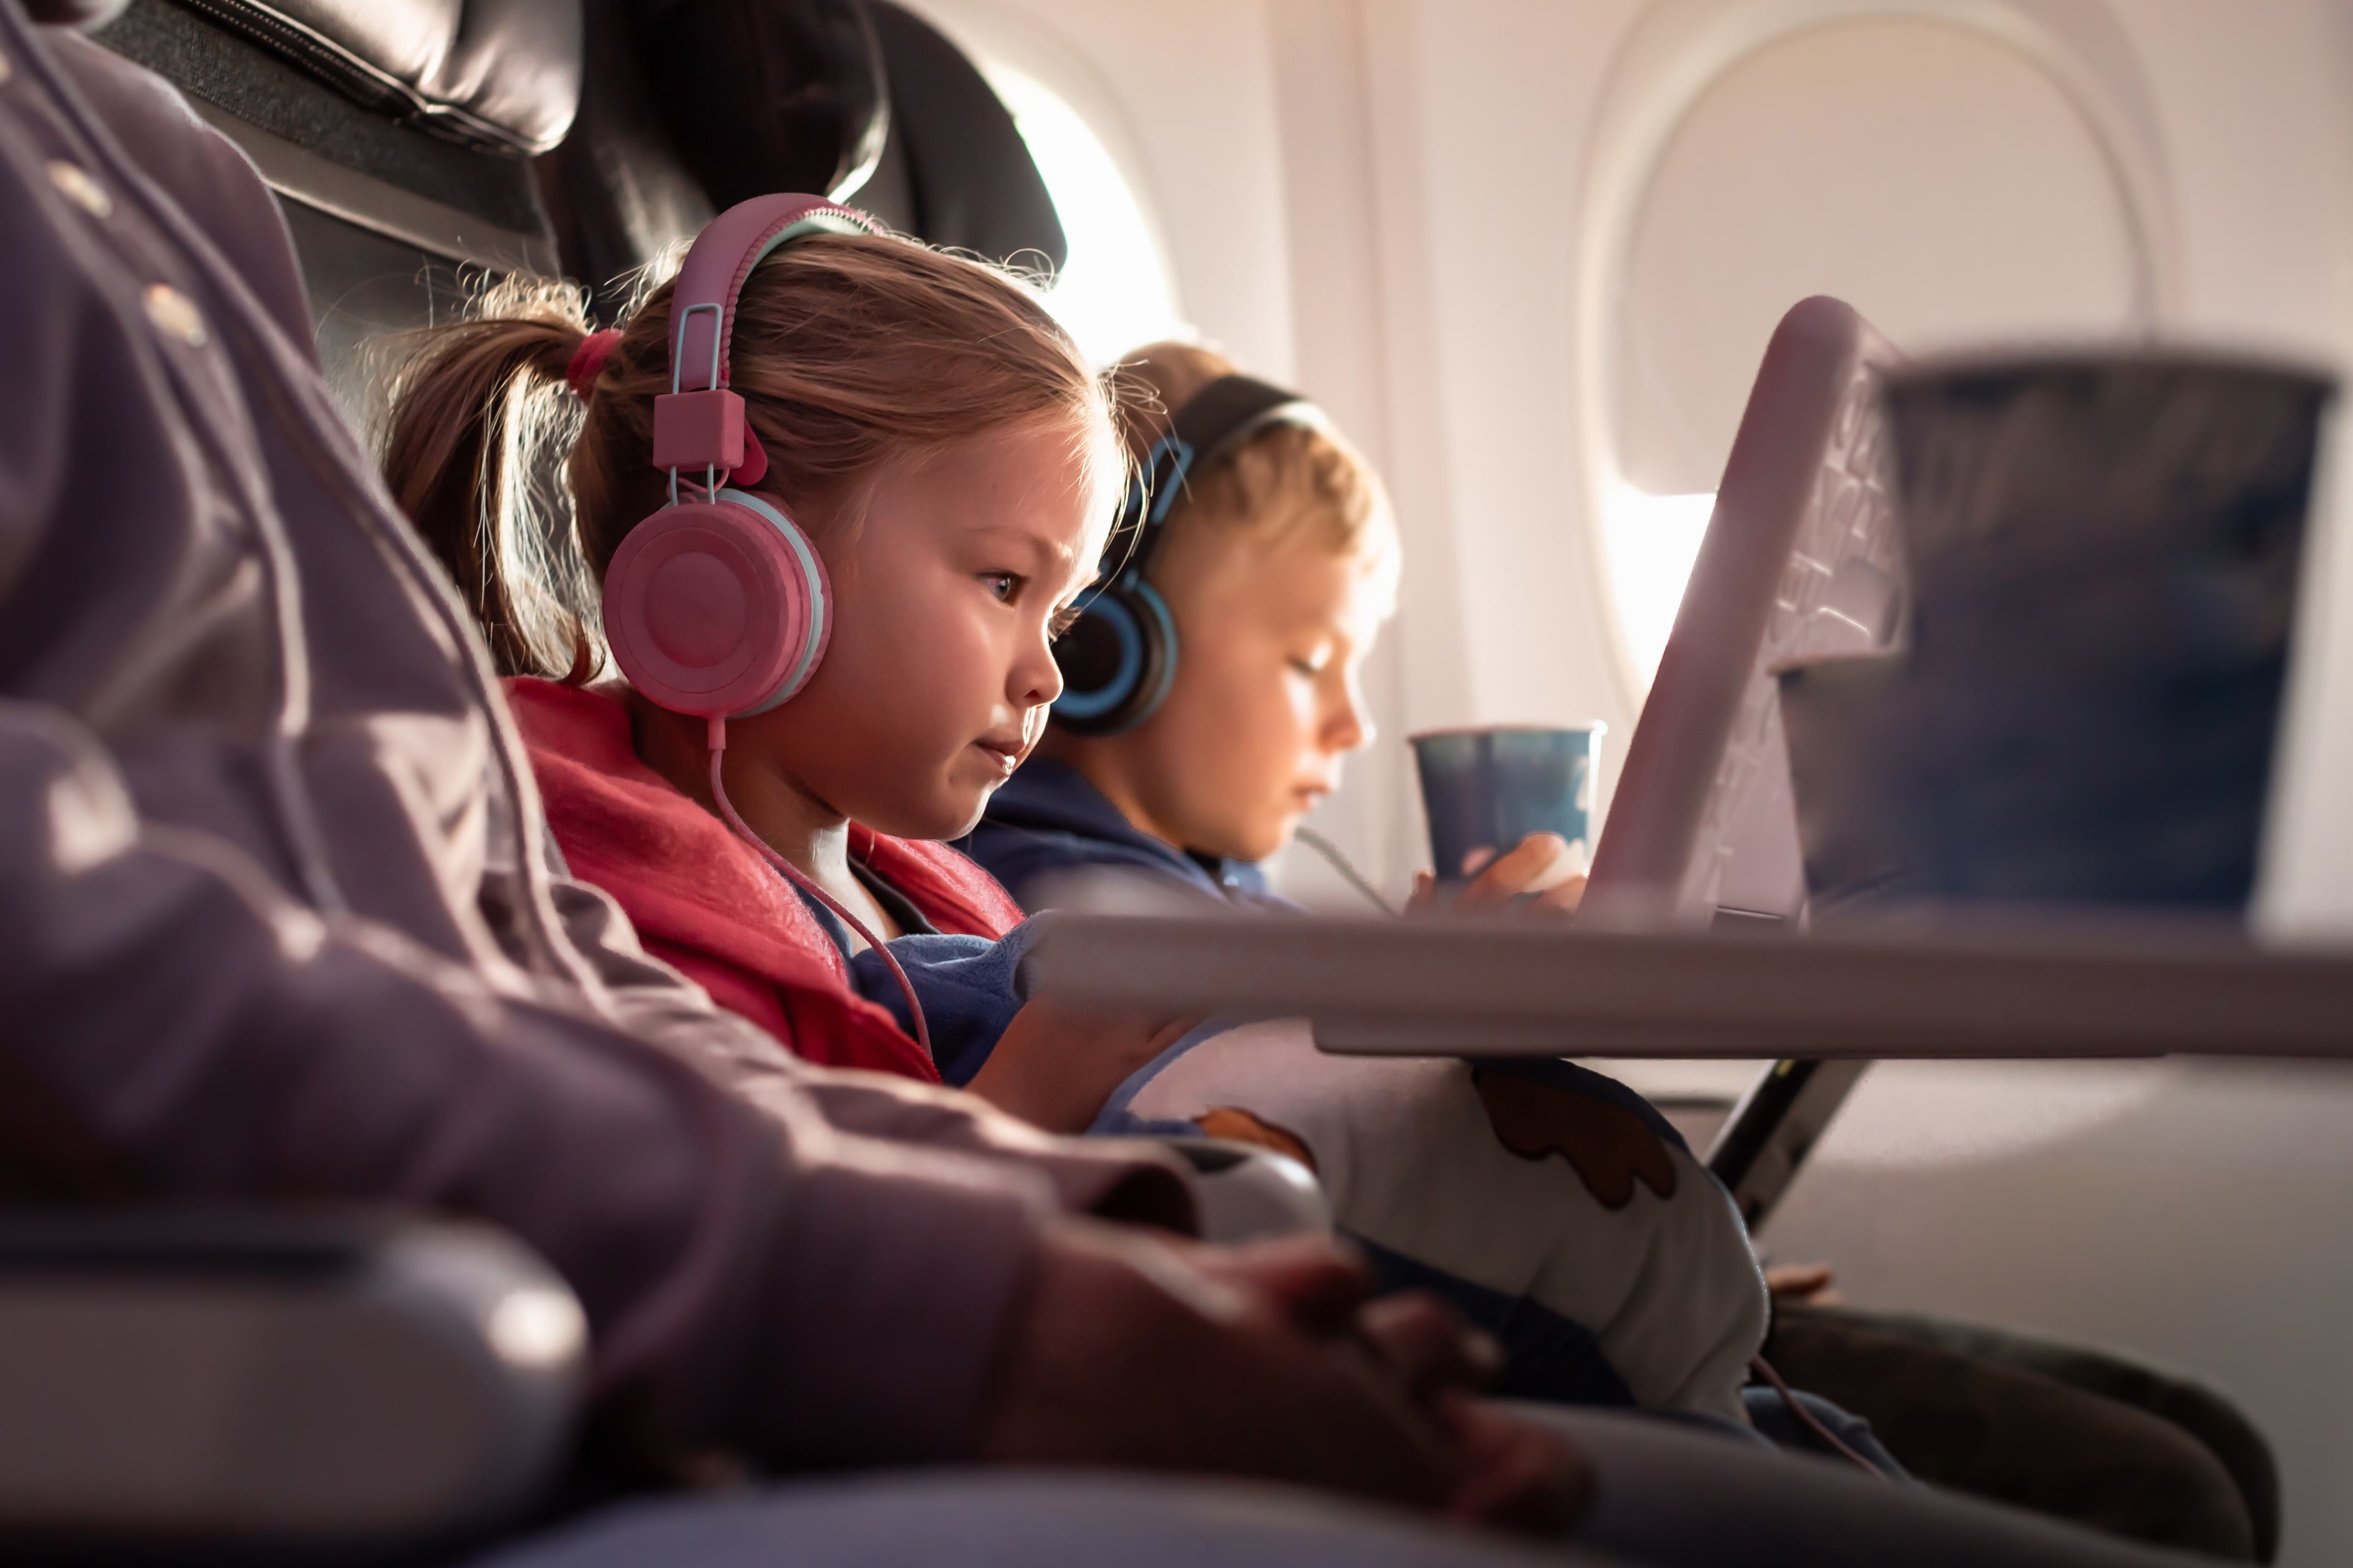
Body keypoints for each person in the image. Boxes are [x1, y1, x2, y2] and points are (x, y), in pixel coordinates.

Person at [0, 6, 2231, 1566]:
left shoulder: (152, 169)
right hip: (389, 1368)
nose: (1056, 668)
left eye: (1069, 596)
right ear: (715, 579)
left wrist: (1107, 1228)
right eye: (1005, 585)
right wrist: (1012, 1232)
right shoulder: (652, 826)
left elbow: (554, 1008)